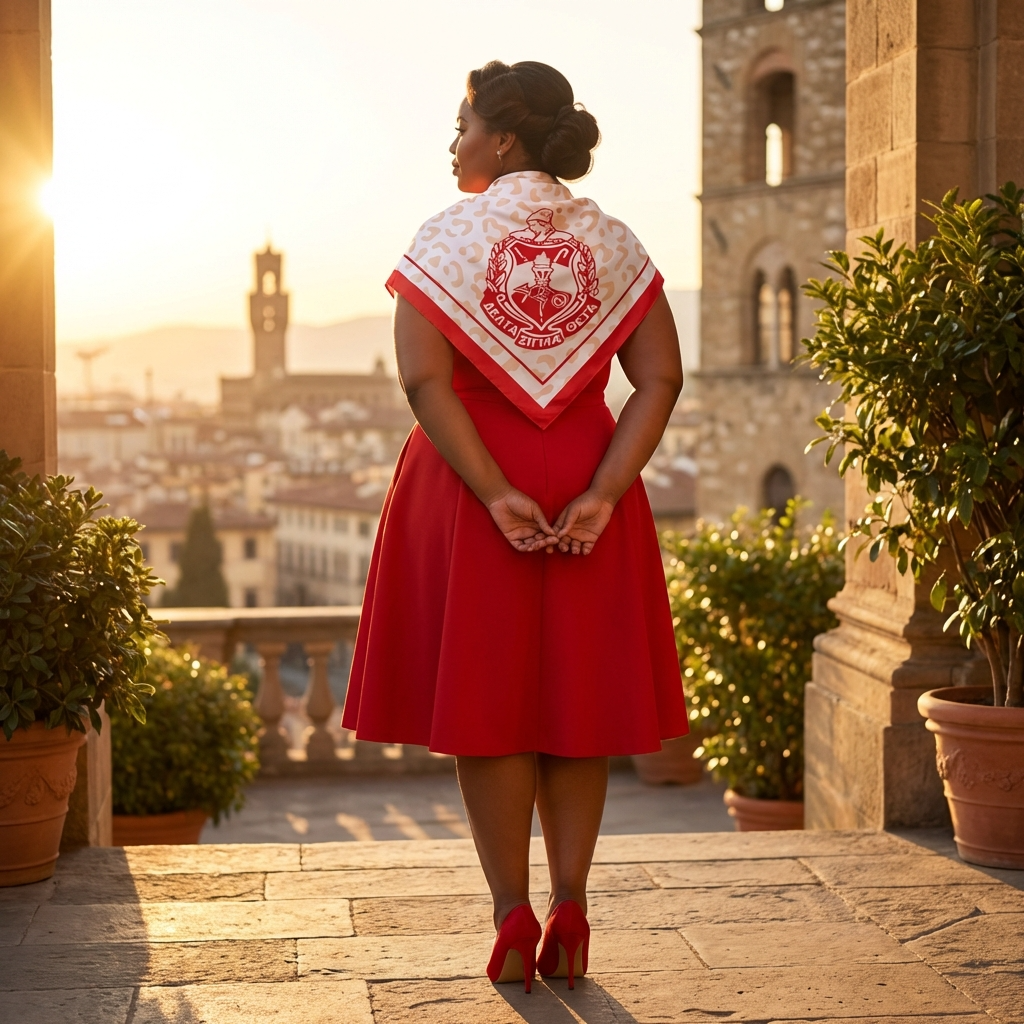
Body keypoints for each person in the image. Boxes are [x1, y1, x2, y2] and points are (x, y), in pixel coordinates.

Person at [341, 60, 688, 992]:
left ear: (501, 139)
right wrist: (607, 492)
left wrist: (493, 490)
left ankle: (511, 914)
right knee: (578, 708)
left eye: (461, 126)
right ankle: (572, 900)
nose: (452, 144)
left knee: (492, 712)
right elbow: (658, 378)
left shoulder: (448, 236)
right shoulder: (613, 240)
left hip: (466, 483)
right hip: (586, 471)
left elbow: (421, 378)